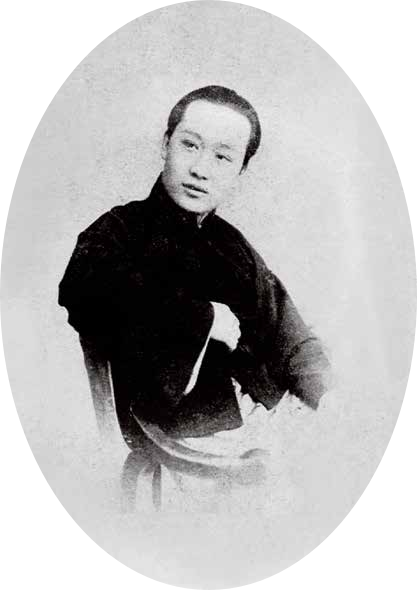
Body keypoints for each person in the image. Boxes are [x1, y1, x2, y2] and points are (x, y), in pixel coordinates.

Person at [58, 86, 330, 507]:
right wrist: (203, 318)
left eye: (222, 157)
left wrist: (328, 393)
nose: (201, 169)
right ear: (165, 145)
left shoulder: (231, 245)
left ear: (240, 171)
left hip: (261, 423)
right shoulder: (116, 233)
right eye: (190, 145)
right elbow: (84, 290)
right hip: (190, 444)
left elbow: (286, 329)